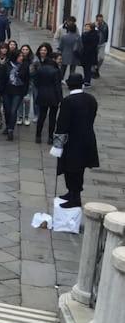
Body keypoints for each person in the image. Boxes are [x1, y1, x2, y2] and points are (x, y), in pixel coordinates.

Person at [52, 73, 99, 208]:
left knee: (70, 169)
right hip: (88, 139)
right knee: (79, 169)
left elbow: (62, 124)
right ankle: (72, 193)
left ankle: (74, 197)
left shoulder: (68, 101)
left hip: (72, 141)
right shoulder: (91, 99)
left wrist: (57, 145)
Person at [32, 47, 62, 144]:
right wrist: (60, 98)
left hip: (42, 95)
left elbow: (35, 82)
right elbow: (58, 86)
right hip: (53, 96)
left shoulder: (40, 70)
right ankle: (50, 137)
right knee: (52, 118)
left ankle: (38, 136)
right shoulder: (56, 71)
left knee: (42, 116)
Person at [2, 51, 30, 141]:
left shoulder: (24, 66)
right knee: (7, 110)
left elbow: (27, 79)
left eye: (22, 56)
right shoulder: (6, 65)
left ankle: (11, 130)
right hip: (7, 91)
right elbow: (1, 78)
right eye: (19, 56)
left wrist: (25, 91)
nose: (21, 57)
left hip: (18, 91)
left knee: (13, 111)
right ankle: (7, 125)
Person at [16, 44, 34, 126]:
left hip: (29, 83)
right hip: (19, 83)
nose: (25, 51)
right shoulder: (18, 59)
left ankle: (26, 117)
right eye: (23, 49)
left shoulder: (32, 60)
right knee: (19, 100)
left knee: (27, 100)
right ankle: (20, 117)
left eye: (26, 49)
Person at [80, 22, 99, 88]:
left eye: (88, 27)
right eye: (85, 26)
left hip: (90, 54)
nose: (86, 28)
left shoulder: (94, 35)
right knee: (85, 67)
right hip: (85, 54)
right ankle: (86, 80)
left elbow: (93, 45)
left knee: (88, 68)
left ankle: (87, 81)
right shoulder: (85, 34)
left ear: (91, 28)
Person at [95, 14, 109, 78]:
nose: (100, 21)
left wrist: (98, 27)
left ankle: (97, 68)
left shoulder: (105, 25)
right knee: (94, 58)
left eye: (101, 19)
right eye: (98, 19)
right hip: (94, 44)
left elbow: (105, 32)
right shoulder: (93, 24)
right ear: (96, 19)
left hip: (102, 44)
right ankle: (94, 71)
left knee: (101, 58)